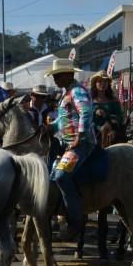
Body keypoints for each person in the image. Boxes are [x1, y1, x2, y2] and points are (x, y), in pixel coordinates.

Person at [45, 57, 96, 241]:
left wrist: (79, 137)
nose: (54, 79)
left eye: (57, 75)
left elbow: (85, 112)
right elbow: (65, 119)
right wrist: (51, 127)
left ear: (67, 74)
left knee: (61, 176)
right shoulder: (67, 93)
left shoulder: (77, 92)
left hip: (82, 144)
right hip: (67, 143)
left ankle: (75, 220)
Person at [89, 71, 125, 142]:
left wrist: (107, 115)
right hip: (92, 133)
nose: (102, 83)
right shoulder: (89, 100)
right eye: (99, 81)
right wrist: (94, 112)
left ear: (108, 84)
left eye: (105, 81)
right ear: (95, 84)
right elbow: (85, 118)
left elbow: (120, 118)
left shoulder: (114, 100)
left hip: (111, 133)